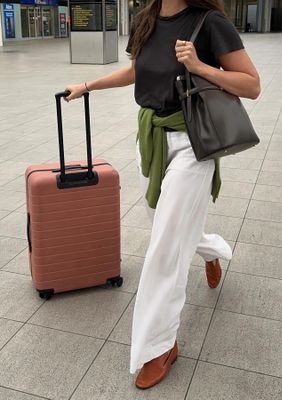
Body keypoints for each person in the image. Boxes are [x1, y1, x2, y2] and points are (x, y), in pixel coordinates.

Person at [65, 0, 260, 390]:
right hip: (151, 139)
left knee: (164, 248)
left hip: (193, 142)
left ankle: (159, 345)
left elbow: (251, 84)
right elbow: (136, 72)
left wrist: (200, 66)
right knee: (167, 229)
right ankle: (212, 250)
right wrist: (87, 86)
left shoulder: (210, 22)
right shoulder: (145, 19)